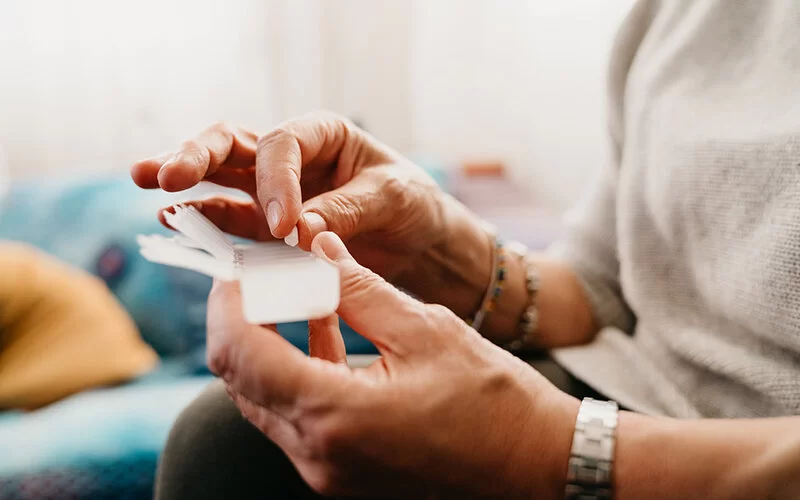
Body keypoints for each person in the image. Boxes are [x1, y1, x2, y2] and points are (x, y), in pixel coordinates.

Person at [131, 1, 800, 498]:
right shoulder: (684, 13)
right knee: (224, 447)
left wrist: (547, 448)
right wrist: (444, 249)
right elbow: (607, 289)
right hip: (625, 396)